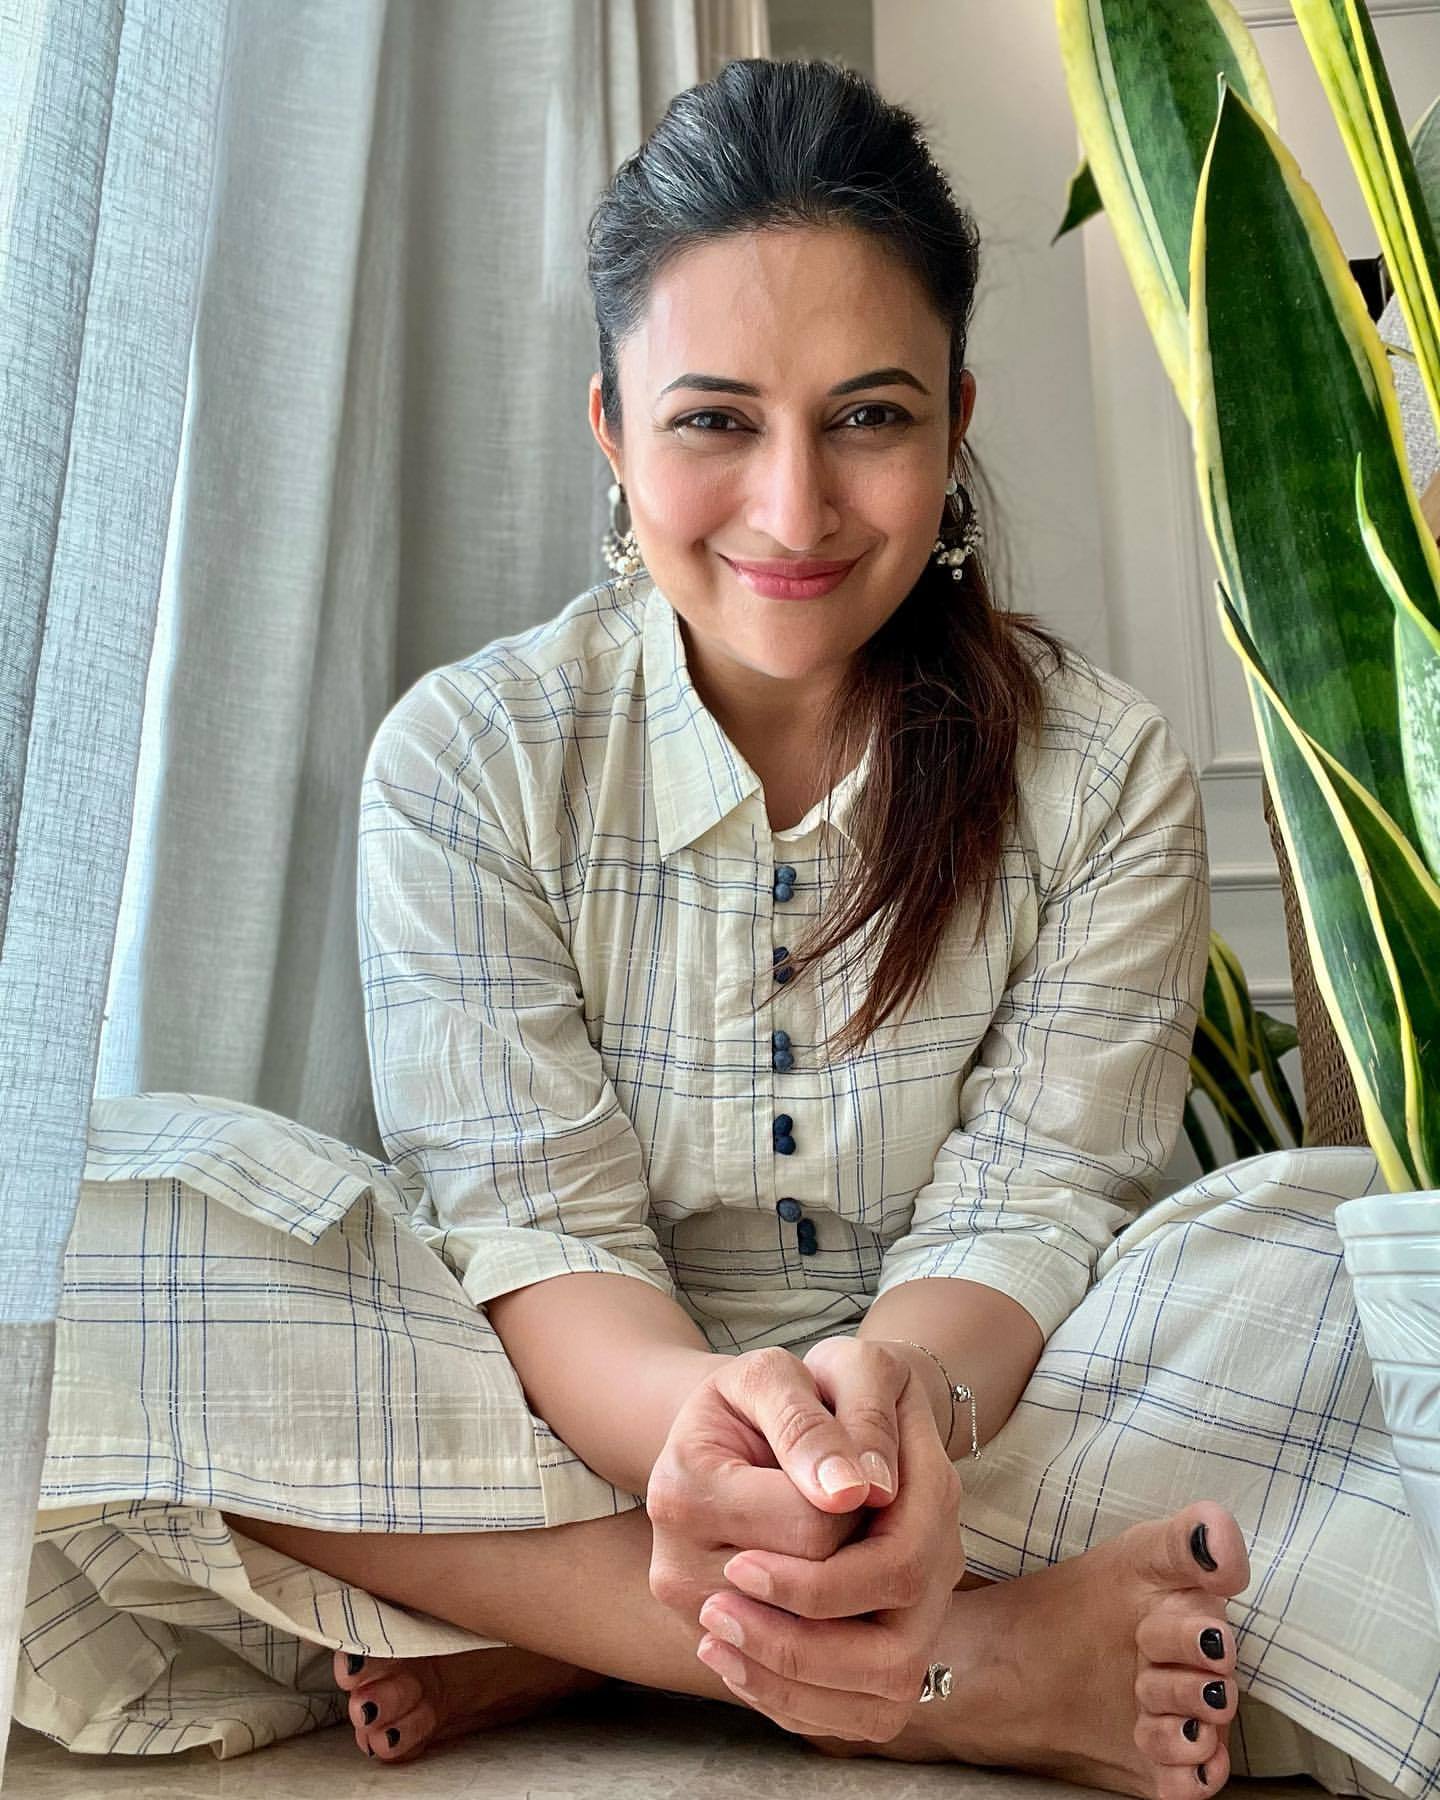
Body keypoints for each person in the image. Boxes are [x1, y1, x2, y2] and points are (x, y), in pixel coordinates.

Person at [18, 56, 1438, 1800]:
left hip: (984, 1424)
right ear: (612, 431)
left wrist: (888, 1421)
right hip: (560, 1412)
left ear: (955, 423)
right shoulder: (469, 755)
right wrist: (702, 1442)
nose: (793, 507)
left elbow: (1037, 1213)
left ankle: (556, 1623)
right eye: (713, 422)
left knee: (1346, 1269)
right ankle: (957, 1669)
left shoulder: (1103, 770)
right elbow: (540, 1233)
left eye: (868, 418)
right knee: (73, 1223)